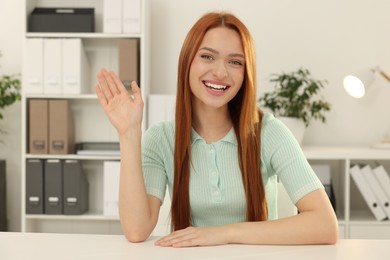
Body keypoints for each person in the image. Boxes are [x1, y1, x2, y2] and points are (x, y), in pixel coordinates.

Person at [95, 12, 338, 247]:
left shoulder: (269, 132)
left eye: (235, 62)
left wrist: (223, 233)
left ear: (246, 74)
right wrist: (128, 133)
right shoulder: (160, 139)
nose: (221, 72)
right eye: (208, 57)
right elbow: (137, 230)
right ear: (187, 61)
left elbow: (325, 225)